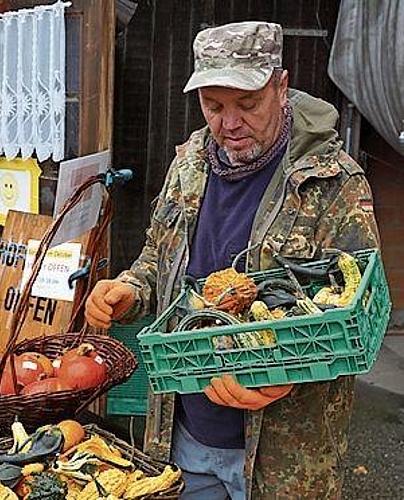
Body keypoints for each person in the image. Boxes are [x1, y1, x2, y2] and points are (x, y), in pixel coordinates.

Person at [85, 21, 380, 499]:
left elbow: (358, 318)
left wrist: (283, 376)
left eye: (248, 104)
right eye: (213, 106)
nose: (229, 123)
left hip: (284, 457)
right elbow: (157, 262)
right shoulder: (188, 166)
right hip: (183, 438)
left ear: (281, 87)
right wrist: (130, 291)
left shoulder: (333, 184)